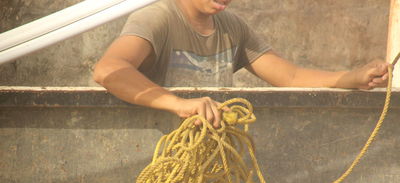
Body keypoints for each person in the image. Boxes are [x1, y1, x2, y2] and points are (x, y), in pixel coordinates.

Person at [93, 0, 390, 128]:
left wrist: (352, 78)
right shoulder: (156, 18)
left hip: (214, 156)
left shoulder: (232, 26)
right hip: (157, 160)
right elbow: (108, 70)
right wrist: (178, 103)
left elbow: (289, 75)